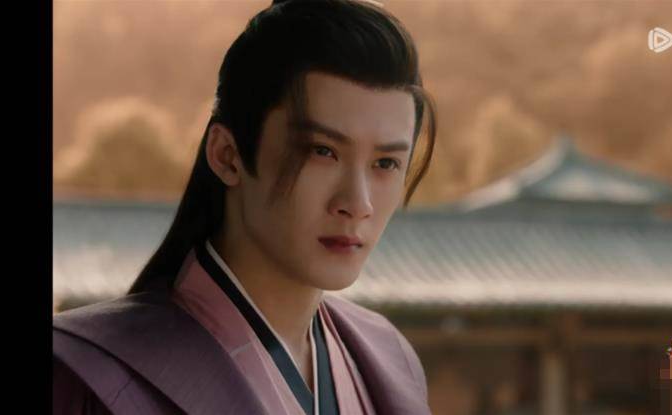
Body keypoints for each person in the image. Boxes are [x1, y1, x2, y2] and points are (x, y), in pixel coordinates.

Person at [52, 0, 437, 413]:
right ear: (227, 155)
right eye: (322, 151)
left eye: (386, 163)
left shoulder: (390, 361)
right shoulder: (86, 374)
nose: (358, 203)